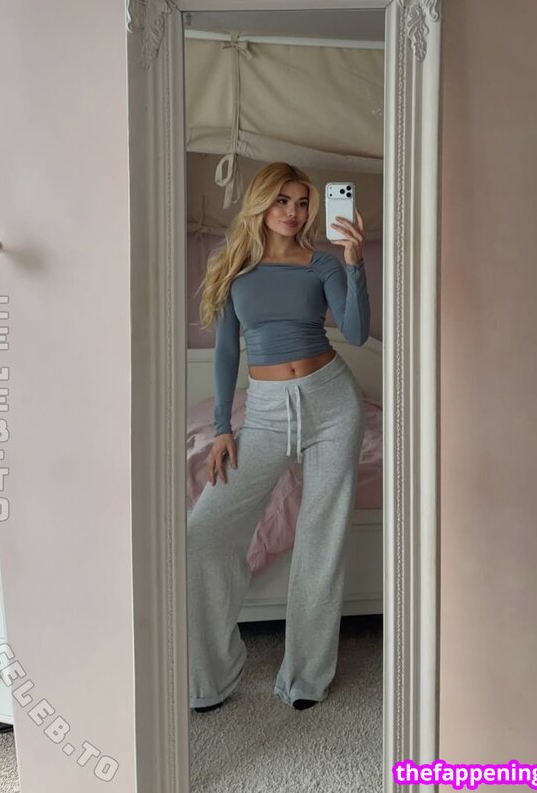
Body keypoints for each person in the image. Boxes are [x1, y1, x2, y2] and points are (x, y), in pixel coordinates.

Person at [188, 161, 370, 713]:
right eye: (282, 201)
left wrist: (355, 263)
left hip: (332, 402)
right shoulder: (235, 269)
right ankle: (212, 674)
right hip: (265, 411)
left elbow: (355, 330)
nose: (293, 212)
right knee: (203, 533)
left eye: (302, 202)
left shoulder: (322, 263)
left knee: (321, 538)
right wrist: (223, 426)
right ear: (261, 204)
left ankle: (305, 677)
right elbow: (226, 353)